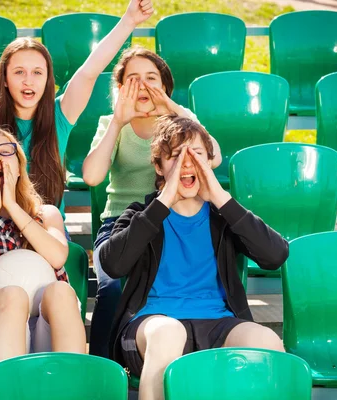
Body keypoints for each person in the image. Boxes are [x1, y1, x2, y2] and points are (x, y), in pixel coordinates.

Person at [99, 115, 288, 400]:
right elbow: (112, 264)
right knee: (169, 333)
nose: (187, 164)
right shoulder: (141, 215)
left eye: (196, 154)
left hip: (218, 324)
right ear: (158, 166)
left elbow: (275, 255)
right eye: (175, 156)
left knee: (266, 341)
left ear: (210, 162)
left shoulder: (223, 216)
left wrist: (221, 197)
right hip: (153, 325)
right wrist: (164, 202)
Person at [0, 0, 154, 214]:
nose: (28, 81)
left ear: (47, 79)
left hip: (47, 230)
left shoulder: (59, 117)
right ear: (4, 79)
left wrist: (129, 21)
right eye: (19, 72)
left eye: (37, 73)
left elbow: (90, 71)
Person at [82, 47, 223, 357]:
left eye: (151, 79)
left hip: (172, 225)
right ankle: (103, 366)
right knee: (114, 287)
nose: (143, 86)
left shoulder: (178, 125)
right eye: (133, 79)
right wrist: (119, 122)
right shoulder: (111, 123)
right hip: (123, 224)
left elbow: (214, 157)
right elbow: (92, 176)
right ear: (120, 88)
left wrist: (170, 106)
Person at [0, 126, 85, 372]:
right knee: (12, 295)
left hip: (45, 332)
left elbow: (57, 256)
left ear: (19, 166)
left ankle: (70, 384)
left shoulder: (47, 215)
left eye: (4, 151)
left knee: (62, 292)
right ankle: (10, 388)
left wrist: (11, 204)